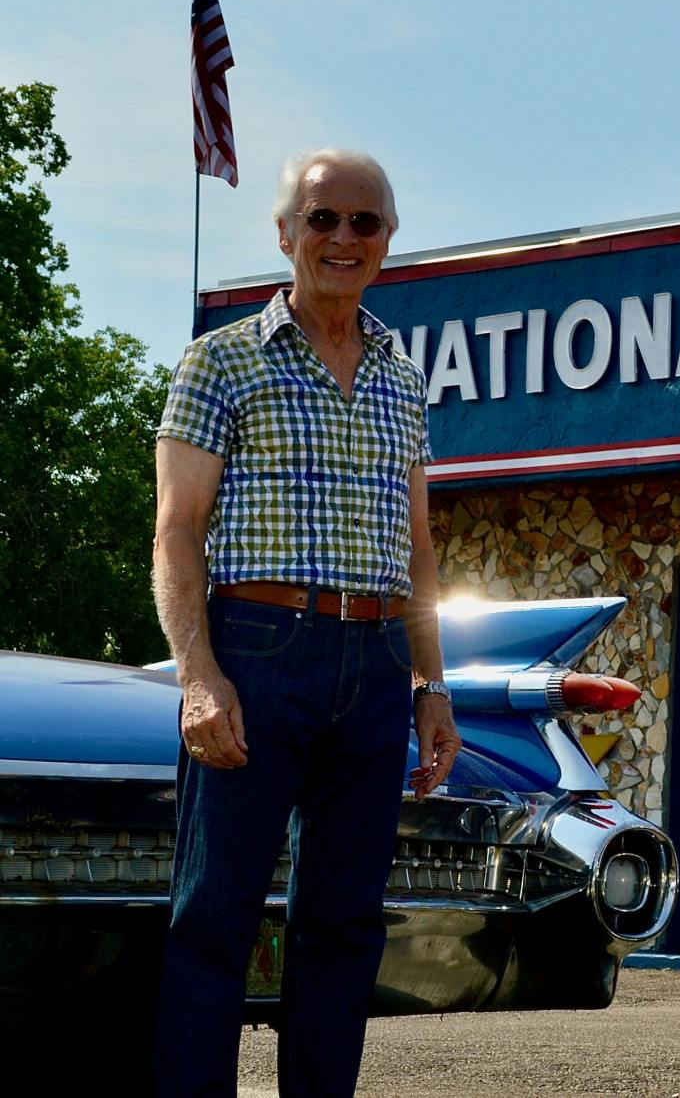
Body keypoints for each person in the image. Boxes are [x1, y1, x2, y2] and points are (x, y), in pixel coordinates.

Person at [153, 149, 460, 1097]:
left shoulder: (404, 378)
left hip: (372, 668)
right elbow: (175, 531)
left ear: (387, 242)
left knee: (343, 925)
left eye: (364, 223)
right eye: (323, 218)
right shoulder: (221, 361)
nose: (343, 237)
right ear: (285, 234)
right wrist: (199, 674)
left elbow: (417, 550)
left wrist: (431, 683)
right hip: (256, 651)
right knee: (217, 917)